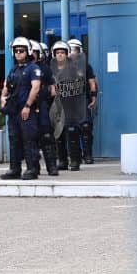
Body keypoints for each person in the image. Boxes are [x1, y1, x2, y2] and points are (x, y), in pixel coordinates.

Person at [0, 37, 42, 180]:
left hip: (26, 109)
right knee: (14, 139)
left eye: (21, 50)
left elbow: (35, 87)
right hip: (14, 110)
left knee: (29, 139)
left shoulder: (33, 68)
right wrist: (2, 97)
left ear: (28, 51)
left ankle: (32, 169)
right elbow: (6, 85)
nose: (18, 53)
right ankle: (14, 169)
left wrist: (28, 106)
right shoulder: (14, 69)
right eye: (16, 50)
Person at [51, 41, 83, 172]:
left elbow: (79, 86)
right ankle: (62, 160)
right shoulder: (50, 69)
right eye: (57, 53)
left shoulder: (73, 69)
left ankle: (75, 160)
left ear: (67, 54)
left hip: (70, 103)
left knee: (71, 131)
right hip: (56, 104)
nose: (60, 55)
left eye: (62, 53)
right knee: (59, 133)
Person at [68, 38, 99, 164]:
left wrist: (93, 97)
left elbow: (92, 83)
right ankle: (75, 156)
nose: (72, 52)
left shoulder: (86, 66)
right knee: (71, 129)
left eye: (75, 50)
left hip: (82, 99)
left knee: (86, 127)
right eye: (70, 50)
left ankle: (88, 155)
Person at [30, 41, 58, 175]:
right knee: (30, 137)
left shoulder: (44, 68)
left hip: (42, 104)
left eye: (33, 52)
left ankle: (52, 166)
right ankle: (33, 167)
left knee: (46, 135)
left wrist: (48, 101)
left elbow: (53, 89)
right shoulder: (20, 69)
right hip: (27, 106)